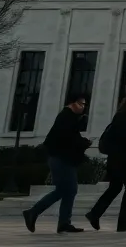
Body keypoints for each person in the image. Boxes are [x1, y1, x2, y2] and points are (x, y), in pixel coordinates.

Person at [22, 92, 91, 234]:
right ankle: (34, 212)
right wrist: (83, 143)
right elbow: (66, 139)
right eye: (81, 104)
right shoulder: (66, 117)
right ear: (72, 103)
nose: (83, 107)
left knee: (67, 190)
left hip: (62, 158)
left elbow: (70, 137)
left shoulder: (69, 117)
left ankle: (63, 222)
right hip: (61, 159)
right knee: (67, 190)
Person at [84, 93, 126, 232]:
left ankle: (95, 214)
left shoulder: (121, 116)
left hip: (116, 158)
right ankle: (123, 221)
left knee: (115, 187)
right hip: (124, 159)